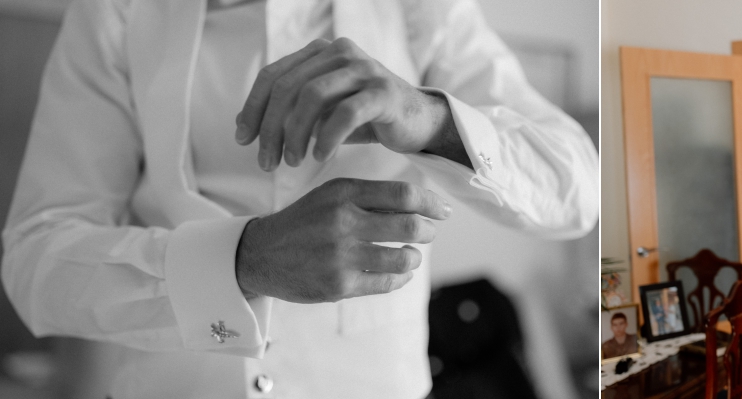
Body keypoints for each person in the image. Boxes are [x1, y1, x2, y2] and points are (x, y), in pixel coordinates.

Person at [0, 0, 598, 398]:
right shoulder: (115, 10)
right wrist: (241, 262)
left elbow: (577, 192)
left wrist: (425, 116)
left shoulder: (419, 7)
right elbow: (36, 258)